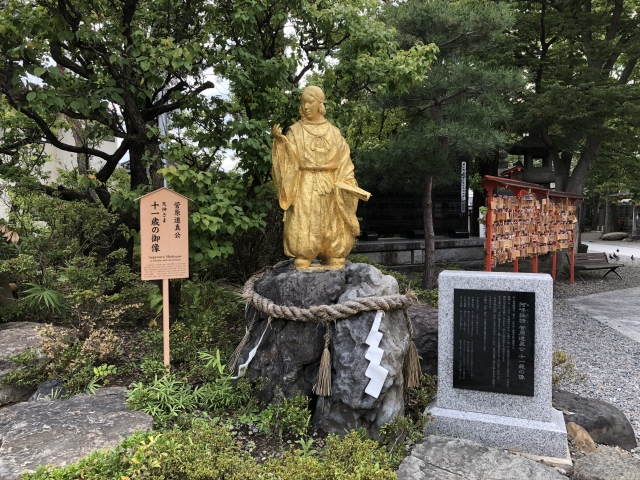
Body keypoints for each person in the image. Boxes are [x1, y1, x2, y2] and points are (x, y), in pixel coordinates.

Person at [271, 86, 369, 269]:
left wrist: (347, 183)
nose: (306, 107)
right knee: (305, 218)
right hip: (305, 183)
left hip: (332, 183)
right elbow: (289, 161)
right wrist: (280, 143)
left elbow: (345, 161)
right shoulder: (294, 131)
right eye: (303, 103)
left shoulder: (334, 132)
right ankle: (304, 253)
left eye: (310, 102)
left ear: (320, 103)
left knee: (333, 219)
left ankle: (333, 253)